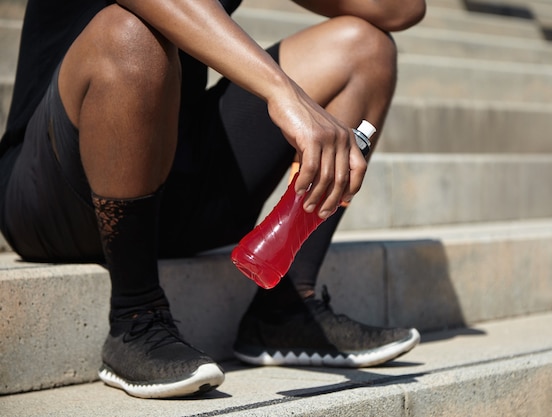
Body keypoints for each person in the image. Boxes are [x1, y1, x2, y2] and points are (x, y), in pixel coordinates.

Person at [0, 0, 426, 400]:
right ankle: (136, 317)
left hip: (181, 190)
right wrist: (284, 93)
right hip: (51, 198)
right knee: (130, 33)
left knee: (365, 48)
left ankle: (285, 305)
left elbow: (403, 8)